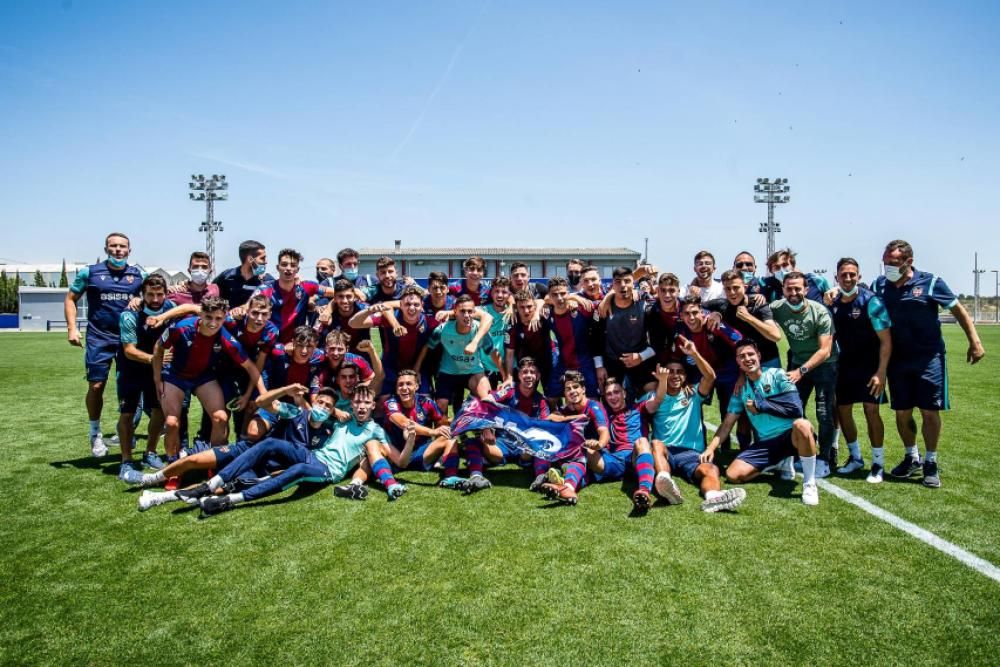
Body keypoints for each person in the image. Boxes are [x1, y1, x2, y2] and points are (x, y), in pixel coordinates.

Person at [185, 386, 399, 515]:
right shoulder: (341, 419)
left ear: (373, 406)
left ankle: (231, 500)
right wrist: (334, 410)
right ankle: (212, 484)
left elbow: (398, 458)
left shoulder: (376, 431)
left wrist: (408, 443)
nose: (361, 406)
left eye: (366, 403)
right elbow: (315, 411)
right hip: (313, 455)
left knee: (296, 472)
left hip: (328, 471)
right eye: (358, 402)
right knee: (270, 443)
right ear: (351, 404)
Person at [874, 239, 985, 488]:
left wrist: (974, 341)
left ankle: (931, 461)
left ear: (908, 262)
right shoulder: (879, 285)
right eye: (885, 263)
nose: (887, 268)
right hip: (897, 359)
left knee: (928, 411)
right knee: (902, 412)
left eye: (892, 263)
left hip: (929, 358)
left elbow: (959, 311)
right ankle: (912, 456)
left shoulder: (931, 282)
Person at [127, 384, 340, 509]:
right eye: (320, 402)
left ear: (332, 412)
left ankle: (160, 498)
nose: (322, 407)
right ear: (314, 401)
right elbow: (263, 402)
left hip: (262, 468)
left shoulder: (326, 435)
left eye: (328, 406)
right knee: (194, 460)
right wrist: (286, 389)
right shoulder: (296, 412)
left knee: (218, 489)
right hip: (248, 450)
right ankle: (150, 479)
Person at [153, 297, 264, 490]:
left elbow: (251, 368)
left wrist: (256, 396)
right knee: (171, 422)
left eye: (219, 318)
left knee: (221, 418)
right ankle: (173, 469)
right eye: (209, 317)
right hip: (174, 376)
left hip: (203, 377)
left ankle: (213, 464)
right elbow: (158, 348)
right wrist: (157, 380)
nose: (213, 323)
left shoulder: (224, 337)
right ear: (201, 314)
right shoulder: (181, 328)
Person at [706, 340, 821, 506]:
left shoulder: (777, 375)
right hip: (766, 443)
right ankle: (778, 461)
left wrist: (761, 406)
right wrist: (710, 448)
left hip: (791, 436)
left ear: (759, 356)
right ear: (738, 362)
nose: (747, 359)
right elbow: (726, 425)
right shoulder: (741, 390)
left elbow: (796, 408)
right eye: (742, 356)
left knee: (802, 425)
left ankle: (809, 484)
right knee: (733, 475)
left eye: (751, 354)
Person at [65, 232, 145, 457]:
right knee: (96, 386)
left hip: (128, 339)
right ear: (106, 249)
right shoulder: (90, 273)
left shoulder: (139, 274)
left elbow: (155, 295)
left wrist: (142, 299)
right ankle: (95, 433)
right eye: (113, 246)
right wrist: (72, 328)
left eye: (122, 247)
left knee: (130, 388)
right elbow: (70, 298)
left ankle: (127, 431)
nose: (118, 250)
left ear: (130, 250)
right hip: (99, 338)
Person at [647, 337, 747, 513]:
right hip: (665, 452)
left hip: (691, 453)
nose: (675, 375)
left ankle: (714, 498)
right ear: (663, 373)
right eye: (670, 371)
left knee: (711, 469)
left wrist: (694, 353)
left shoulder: (692, 393)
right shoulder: (654, 397)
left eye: (680, 372)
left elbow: (710, 376)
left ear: (685, 376)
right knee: (655, 444)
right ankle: (666, 482)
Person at [830, 258, 892, 482]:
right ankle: (855, 457)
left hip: (870, 367)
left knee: (871, 410)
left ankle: (878, 463)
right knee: (843, 410)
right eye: (843, 275)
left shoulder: (871, 302)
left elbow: (886, 340)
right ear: (836, 277)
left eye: (852, 274)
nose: (848, 279)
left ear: (859, 276)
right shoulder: (834, 303)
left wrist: (881, 372)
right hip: (844, 366)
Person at [770, 272, 837, 477]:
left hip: (825, 365)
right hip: (798, 363)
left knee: (824, 413)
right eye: (789, 288)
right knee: (793, 410)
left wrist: (802, 371)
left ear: (806, 290)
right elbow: (758, 311)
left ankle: (825, 459)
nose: (793, 292)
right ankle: (807, 447)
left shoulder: (820, 312)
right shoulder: (777, 308)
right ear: (783, 290)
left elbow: (825, 350)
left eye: (798, 288)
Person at [115, 274, 176, 478]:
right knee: (127, 413)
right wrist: (155, 359)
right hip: (131, 370)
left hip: (156, 371)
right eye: (151, 294)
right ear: (143, 294)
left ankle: (150, 452)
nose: (156, 299)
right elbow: (129, 350)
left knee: (159, 411)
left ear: (166, 294)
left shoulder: (170, 309)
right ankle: (126, 460)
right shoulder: (129, 314)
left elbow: (193, 311)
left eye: (160, 294)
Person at [417, 295, 502, 414]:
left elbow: (493, 352)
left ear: (474, 312)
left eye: (470, 311)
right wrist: (416, 369)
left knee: (487, 399)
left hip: (473, 372)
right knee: (441, 405)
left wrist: (507, 376)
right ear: (455, 312)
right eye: (462, 311)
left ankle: (486, 431)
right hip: (448, 372)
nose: (466, 315)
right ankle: (443, 431)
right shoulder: (443, 330)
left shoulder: (479, 330)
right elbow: (427, 347)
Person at [537, 370, 610, 505]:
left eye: (575, 387)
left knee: (577, 449)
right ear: (564, 394)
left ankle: (563, 477)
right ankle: (564, 487)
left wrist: (599, 444)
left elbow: (604, 433)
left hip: (597, 456)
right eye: (568, 389)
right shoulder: (567, 410)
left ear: (583, 389)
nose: (572, 391)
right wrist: (574, 417)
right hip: (581, 463)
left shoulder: (594, 407)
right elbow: (550, 418)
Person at [349, 286, 432, 397]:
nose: (412, 308)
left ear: (422, 306)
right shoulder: (390, 318)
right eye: (407, 304)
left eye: (416, 305)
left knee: (425, 398)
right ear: (400, 305)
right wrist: (369, 310)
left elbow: (429, 343)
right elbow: (353, 323)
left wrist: (417, 368)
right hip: (391, 366)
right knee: (382, 401)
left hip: (416, 367)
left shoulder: (428, 321)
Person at [595, 266, 656, 396]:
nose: (623, 285)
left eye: (627, 281)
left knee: (652, 390)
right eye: (618, 282)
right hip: (613, 360)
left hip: (639, 358)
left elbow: (658, 340)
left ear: (633, 283)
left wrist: (641, 356)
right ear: (612, 285)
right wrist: (599, 366)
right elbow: (596, 339)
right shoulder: (603, 307)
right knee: (610, 394)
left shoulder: (645, 303)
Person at [254, 248, 337, 343]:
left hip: (298, 345)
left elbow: (341, 293)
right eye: (284, 264)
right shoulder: (264, 289)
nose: (288, 268)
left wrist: (328, 310)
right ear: (278, 267)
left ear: (297, 269)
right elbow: (247, 308)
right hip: (271, 344)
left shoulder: (307, 286)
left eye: (293, 265)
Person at [546, 277, 600, 398]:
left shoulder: (581, 309)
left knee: (592, 396)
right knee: (551, 397)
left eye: (563, 294)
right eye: (555, 294)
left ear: (568, 294)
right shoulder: (547, 314)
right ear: (549, 296)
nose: (559, 298)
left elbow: (603, 304)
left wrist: (576, 298)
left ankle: (592, 417)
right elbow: (537, 302)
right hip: (563, 363)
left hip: (585, 362)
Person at [505, 290, 554, 394]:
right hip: (526, 364)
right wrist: (508, 377)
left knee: (552, 396)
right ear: (516, 309)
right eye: (522, 307)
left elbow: (547, 299)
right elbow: (509, 354)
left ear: (535, 306)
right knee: (526, 394)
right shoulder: (513, 323)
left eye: (529, 306)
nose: (526, 311)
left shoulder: (543, 317)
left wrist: (537, 312)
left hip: (547, 362)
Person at [315, 278, 371, 353]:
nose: (345, 301)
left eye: (348, 296)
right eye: (340, 296)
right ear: (334, 298)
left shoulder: (364, 310)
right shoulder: (326, 314)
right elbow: (319, 343)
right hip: (335, 354)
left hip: (359, 354)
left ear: (355, 297)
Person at [213, 240, 273, 308]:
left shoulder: (267, 281)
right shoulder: (226, 277)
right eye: (262, 258)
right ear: (250, 259)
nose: (266, 262)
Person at [761, 248, 831, 304]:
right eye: (776, 267)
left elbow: (834, 296)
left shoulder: (816, 280)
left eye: (785, 265)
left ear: (793, 266)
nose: (782, 270)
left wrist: (836, 289)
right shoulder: (767, 285)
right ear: (771, 271)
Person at [645, 272, 682, 366]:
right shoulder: (650, 311)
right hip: (659, 363)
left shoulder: (687, 308)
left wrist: (717, 314)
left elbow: (711, 307)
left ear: (679, 291)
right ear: (658, 291)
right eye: (663, 290)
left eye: (671, 290)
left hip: (684, 363)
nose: (667, 295)